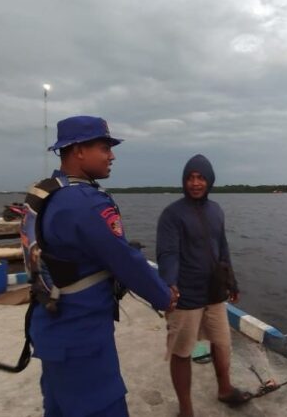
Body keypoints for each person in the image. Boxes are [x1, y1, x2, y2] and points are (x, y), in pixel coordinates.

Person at [21, 115, 178, 417]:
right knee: (102, 407)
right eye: (105, 147)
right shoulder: (85, 202)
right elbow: (124, 260)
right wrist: (163, 296)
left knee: (59, 407)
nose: (112, 155)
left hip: (51, 328)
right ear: (78, 150)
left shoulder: (51, 193)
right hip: (81, 337)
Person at [156, 154, 252, 417]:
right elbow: (168, 253)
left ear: (210, 180)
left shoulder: (216, 210)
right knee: (182, 351)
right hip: (185, 295)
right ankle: (186, 409)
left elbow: (222, 248)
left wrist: (231, 280)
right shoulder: (172, 214)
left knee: (222, 343)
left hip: (214, 292)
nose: (195, 183)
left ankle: (224, 389)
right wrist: (169, 284)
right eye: (190, 177)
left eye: (200, 178)